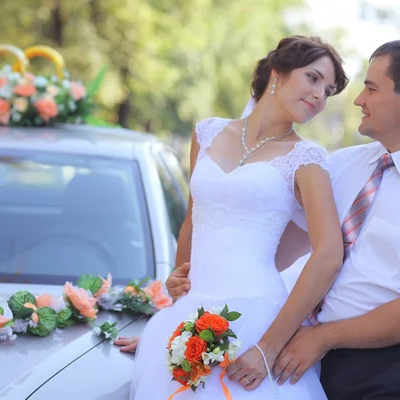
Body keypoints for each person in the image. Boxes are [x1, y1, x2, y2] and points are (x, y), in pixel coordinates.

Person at [147, 39, 400, 400]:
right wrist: (193, 292)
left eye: (371, 88)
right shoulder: (342, 164)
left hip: (373, 372)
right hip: (290, 345)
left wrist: (321, 338)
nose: (358, 100)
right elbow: (273, 243)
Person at [128, 35, 349, 399]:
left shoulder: (308, 160)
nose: (320, 96)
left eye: (328, 91)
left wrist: (268, 348)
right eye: (313, 78)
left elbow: (328, 254)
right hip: (189, 316)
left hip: (256, 323)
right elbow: (192, 221)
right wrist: (178, 282)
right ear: (277, 72)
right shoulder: (207, 133)